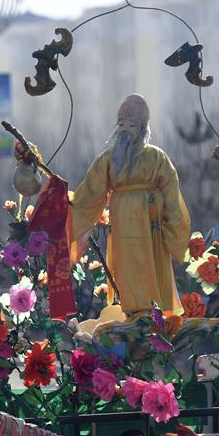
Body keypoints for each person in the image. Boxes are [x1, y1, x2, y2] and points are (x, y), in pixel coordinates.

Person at [68, 94, 191, 313]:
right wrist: (67, 204)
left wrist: (174, 228)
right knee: (128, 271)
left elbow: (172, 195)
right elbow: (89, 191)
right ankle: (134, 315)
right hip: (123, 227)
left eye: (131, 125)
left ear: (142, 129)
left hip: (151, 227)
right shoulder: (108, 160)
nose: (125, 129)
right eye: (121, 124)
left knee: (151, 270)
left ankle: (154, 317)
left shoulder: (157, 158)